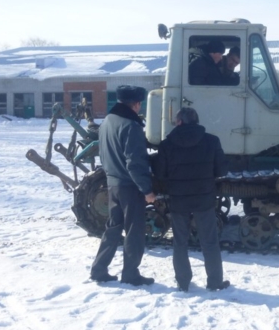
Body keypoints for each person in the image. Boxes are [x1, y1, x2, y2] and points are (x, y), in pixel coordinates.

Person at [153, 107, 230, 292]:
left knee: (180, 242)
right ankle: (215, 282)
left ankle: (183, 282)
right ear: (196, 121)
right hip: (204, 199)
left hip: (179, 200)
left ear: (179, 122)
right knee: (209, 241)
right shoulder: (212, 141)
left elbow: (160, 174)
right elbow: (222, 171)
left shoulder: (167, 144)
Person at [90, 85, 157, 286]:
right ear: (136, 104)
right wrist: (147, 190)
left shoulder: (107, 122)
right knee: (134, 231)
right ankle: (130, 273)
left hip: (112, 183)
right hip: (130, 186)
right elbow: (135, 162)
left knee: (112, 228)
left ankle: (99, 269)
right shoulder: (131, 126)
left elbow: (102, 154)